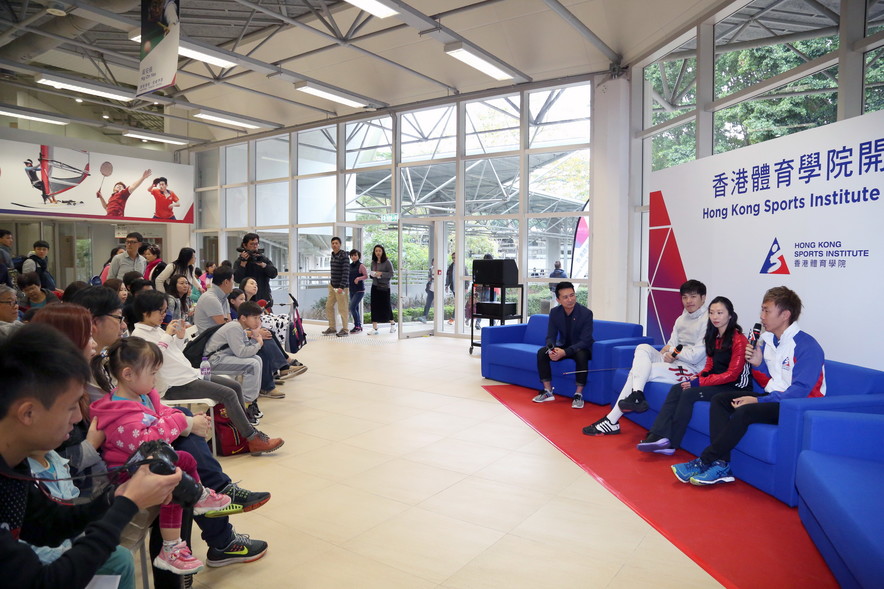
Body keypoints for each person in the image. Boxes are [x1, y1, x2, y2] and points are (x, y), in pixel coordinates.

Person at [70, 285, 272, 569]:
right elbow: (124, 419)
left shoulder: (106, 358)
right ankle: (217, 529)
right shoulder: (90, 366)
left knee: (188, 441)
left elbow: (143, 400)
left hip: (142, 426)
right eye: (117, 317)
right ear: (93, 321)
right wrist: (183, 422)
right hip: (126, 451)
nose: (122, 323)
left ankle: (218, 528)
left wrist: (177, 418)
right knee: (183, 454)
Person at [0, 323, 182, 589]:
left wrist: (117, 497)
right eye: (71, 407)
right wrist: (127, 504)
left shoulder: (15, 465)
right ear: (28, 413)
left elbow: (49, 526)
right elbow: (46, 582)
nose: (77, 419)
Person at [89, 337, 234, 575]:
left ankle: (196, 500)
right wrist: (180, 420)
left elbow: (161, 413)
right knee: (175, 479)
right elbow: (147, 443)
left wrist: (180, 417)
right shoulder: (119, 413)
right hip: (126, 474)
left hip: (146, 464)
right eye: (153, 373)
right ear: (128, 374)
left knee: (184, 461)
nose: (156, 379)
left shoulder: (143, 395)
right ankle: (172, 545)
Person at [671, 286, 826, 485]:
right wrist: (758, 364)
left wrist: (757, 399)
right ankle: (721, 465)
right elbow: (768, 382)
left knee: (745, 411)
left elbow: (799, 391)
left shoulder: (807, 346)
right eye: (762, 310)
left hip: (798, 406)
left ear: (785, 314)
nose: (761, 316)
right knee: (720, 400)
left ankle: (705, 460)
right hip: (777, 398)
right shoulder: (769, 340)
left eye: (766, 311)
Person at [131, 291, 284, 455]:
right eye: (160, 311)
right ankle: (253, 439)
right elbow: (154, 360)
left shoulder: (157, 330)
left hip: (189, 375)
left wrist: (179, 338)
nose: (164, 315)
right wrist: (169, 336)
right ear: (146, 311)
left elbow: (176, 353)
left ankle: (243, 434)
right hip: (174, 385)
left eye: (164, 310)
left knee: (234, 386)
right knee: (228, 394)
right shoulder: (138, 336)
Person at [583, 279, 709, 436]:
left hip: (692, 369)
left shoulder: (708, 321)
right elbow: (669, 345)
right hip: (675, 361)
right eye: (685, 297)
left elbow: (696, 356)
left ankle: (612, 420)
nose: (689, 301)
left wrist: (672, 352)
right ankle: (636, 395)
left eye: (693, 296)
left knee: (639, 371)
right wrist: (668, 354)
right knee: (642, 347)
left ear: (703, 298)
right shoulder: (681, 319)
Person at [637, 296, 751, 455]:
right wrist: (698, 377)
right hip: (717, 382)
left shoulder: (739, 339)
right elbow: (710, 366)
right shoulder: (713, 336)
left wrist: (700, 383)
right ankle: (656, 435)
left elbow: (732, 374)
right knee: (677, 389)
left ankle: (672, 443)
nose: (715, 317)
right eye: (712, 313)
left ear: (730, 315)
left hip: (735, 386)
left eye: (720, 313)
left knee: (689, 393)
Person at [532, 281, 594, 409]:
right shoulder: (555, 312)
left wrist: (565, 352)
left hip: (581, 347)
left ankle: (578, 394)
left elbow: (586, 340)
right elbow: (550, 336)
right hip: (564, 345)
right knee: (541, 353)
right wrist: (551, 349)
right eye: (565, 297)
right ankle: (548, 391)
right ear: (558, 299)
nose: (570, 299)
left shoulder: (586, 313)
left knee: (582, 355)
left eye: (572, 295)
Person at [204, 302, 268, 424]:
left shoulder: (240, 327)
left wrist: (254, 336)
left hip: (223, 358)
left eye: (259, 318)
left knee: (257, 359)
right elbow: (242, 352)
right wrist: (258, 343)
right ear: (243, 318)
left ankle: (250, 402)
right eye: (255, 318)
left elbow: (244, 349)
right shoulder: (234, 327)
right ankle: (245, 406)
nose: (258, 321)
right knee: (252, 365)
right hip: (212, 363)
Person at [233, 233, 278, 309]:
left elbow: (274, 273)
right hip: (248, 300)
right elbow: (237, 279)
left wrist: (264, 266)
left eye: (256, 244)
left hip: (264, 298)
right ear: (245, 245)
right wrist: (243, 264)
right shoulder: (240, 261)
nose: (255, 246)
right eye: (252, 244)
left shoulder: (263, 259)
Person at [324, 236, 350, 337]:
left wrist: (341, 287)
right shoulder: (332, 255)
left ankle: (345, 330)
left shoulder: (344, 256)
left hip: (341, 287)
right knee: (328, 306)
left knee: (342, 309)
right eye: (333, 243)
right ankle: (332, 327)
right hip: (332, 285)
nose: (334, 245)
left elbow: (346, 272)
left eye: (336, 243)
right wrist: (331, 284)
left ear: (340, 244)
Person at [368, 244, 396, 335]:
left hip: (384, 287)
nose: (378, 253)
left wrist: (381, 274)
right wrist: (372, 275)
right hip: (375, 286)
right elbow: (371, 274)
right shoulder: (373, 262)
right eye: (376, 251)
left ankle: (392, 324)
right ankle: (375, 328)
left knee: (386, 306)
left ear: (382, 252)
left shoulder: (387, 262)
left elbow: (392, 274)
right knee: (374, 306)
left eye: (379, 251)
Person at [348, 249, 368, 333]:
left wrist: (358, 278)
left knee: (352, 307)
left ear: (358, 256)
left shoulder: (361, 266)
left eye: (355, 255)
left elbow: (366, 276)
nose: (353, 257)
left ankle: (357, 326)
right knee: (355, 308)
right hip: (351, 289)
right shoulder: (350, 265)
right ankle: (358, 326)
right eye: (352, 255)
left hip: (359, 290)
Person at [419, 259, 434, 324]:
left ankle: (438, 318)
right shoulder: (431, 269)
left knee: (439, 304)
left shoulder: (440, 268)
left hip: (438, 289)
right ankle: (424, 316)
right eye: (433, 262)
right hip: (431, 288)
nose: (434, 263)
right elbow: (429, 278)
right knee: (428, 303)